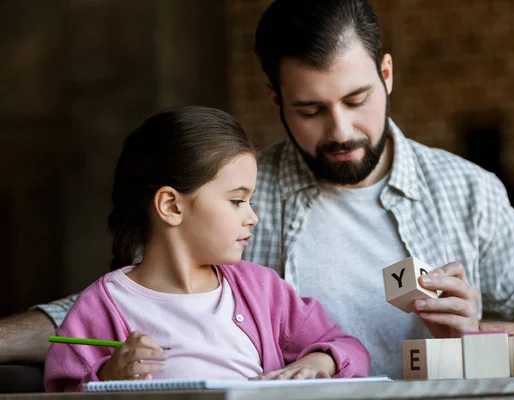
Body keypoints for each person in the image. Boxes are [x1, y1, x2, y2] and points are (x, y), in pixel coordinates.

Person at [0, 0, 514, 380]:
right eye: (310, 109)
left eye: (357, 100)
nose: (339, 131)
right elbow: (126, 303)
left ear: (386, 74)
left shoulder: (467, 192)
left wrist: (484, 333)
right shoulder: (239, 195)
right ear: (275, 100)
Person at [43, 106, 370, 392]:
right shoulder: (101, 308)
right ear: (171, 206)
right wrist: (108, 375)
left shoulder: (264, 292)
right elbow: (63, 387)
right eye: (237, 200)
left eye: (250, 200)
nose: (252, 217)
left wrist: (319, 361)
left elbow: (348, 347)